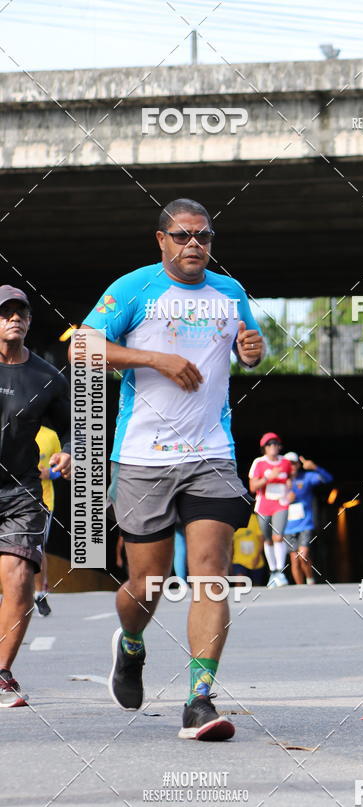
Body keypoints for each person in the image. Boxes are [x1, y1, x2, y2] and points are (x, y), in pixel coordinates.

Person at [73, 197, 264, 741]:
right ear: (161, 240)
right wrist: (154, 359)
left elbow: (248, 349)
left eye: (202, 236)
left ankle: (199, 699)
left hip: (212, 453)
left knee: (210, 573)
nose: (193, 246)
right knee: (147, 584)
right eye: (182, 236)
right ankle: (131, 646)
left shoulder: (230, 294)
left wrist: (252, 348)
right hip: (142, 457)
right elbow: (80, 348)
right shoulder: (134, 288)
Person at [0, 286, 71, 707]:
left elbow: (76, 428)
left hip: (20, 490)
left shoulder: (46, 377)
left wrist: (69, 451)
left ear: (29, 321)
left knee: (19, 577)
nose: (14, 319)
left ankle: (2, 672)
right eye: (6, 312)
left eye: (21, 312)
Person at [249, 433, 293, 588]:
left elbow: (290, 477)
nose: (273, 446)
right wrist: (268, 478)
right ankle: (273, 571)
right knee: (267, 539)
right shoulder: (259, 463)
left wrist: (289, 486)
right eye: (269, 444)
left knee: (278, 537)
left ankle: (280, 571)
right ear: (264, 448)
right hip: (263, 505)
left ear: (279, 446)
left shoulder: (286, 462)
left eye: (275, 444)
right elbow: (253, 487)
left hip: (281, 503)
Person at [283, 453, 333, 584]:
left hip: (305, 524)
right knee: (294, 560)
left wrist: (315, 467)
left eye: (294, 463)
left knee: (303, 556)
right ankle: (300, 589)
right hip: (288, 527)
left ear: (298, 465)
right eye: (288, 463)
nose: (291, 466)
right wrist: (285, 500)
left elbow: (328, 479)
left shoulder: (306, 477)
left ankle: (310, 580)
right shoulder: (280, 480)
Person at [34, 425, 62, 616]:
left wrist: (50, 474)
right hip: (8, 498)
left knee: (37, 548)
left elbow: (62, 468)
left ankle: (39, 594)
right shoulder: (9, 428)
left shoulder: (50, 435)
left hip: (43, 502)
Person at [231, 513, 266, 586]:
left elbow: (262, 539)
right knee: (239, 582)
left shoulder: (255, 518)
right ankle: (239, 597)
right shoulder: (232, 519)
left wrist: (257, 556)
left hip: (255, 561)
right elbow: (230, 544)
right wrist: (229, 562)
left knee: (256, 587)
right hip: (238, 560)